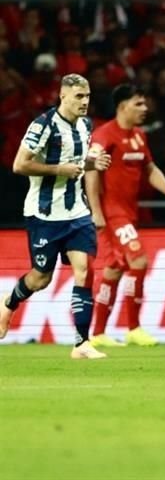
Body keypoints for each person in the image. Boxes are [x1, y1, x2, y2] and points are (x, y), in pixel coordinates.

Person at [0, 74, 112, 358]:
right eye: (79, 96)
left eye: (87, 96)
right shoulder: (43, 125)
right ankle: (8, 304)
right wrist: (60, 170)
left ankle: (81, 343)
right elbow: (19, 164)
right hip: (44, 215)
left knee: (84, 271)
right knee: (41, 279)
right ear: (63, 96)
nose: (84, 102)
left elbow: (77, 161)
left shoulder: (85, 125)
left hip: (77, 213)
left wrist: (92, 162)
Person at [86, 84, 165, 348]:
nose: (145, 109)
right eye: (139, 104)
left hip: (129, 212)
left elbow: (150, 169)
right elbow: (90, 170)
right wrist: (96, 211)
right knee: (139, 260)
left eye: (145, 103)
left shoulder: (139, 136)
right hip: (111, 212)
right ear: (123, 106)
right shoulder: (103, 135)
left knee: (114, 269)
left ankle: (97, 333)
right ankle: (133, 328)